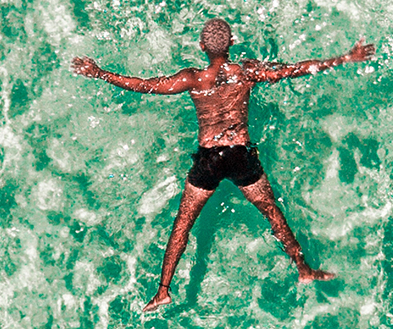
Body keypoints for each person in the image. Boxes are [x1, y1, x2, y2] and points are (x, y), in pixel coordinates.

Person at [72, 16, 375, 308]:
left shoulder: (193, 78)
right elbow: (294, 70)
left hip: (209, 159)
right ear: (232, 42)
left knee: (183, 224)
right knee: (272, 213)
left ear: (201, 46)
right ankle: (304, 269)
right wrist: (345, 58)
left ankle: (163, 291)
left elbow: (144, 85)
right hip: (240, 155)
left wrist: (100, 72)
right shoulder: (247, 72)